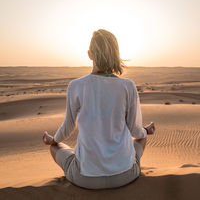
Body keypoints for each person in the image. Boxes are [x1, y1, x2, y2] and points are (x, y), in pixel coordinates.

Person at [42, 29, 155, 189]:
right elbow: (136, 132)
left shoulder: (76, 86)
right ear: (116, 54)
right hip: (125, 176)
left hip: (85, 179)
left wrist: (53, 140)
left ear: (90, 54)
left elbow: (67, 127)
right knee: (141, 138)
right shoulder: (128, 86)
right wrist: (146, 131)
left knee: (56, 147)